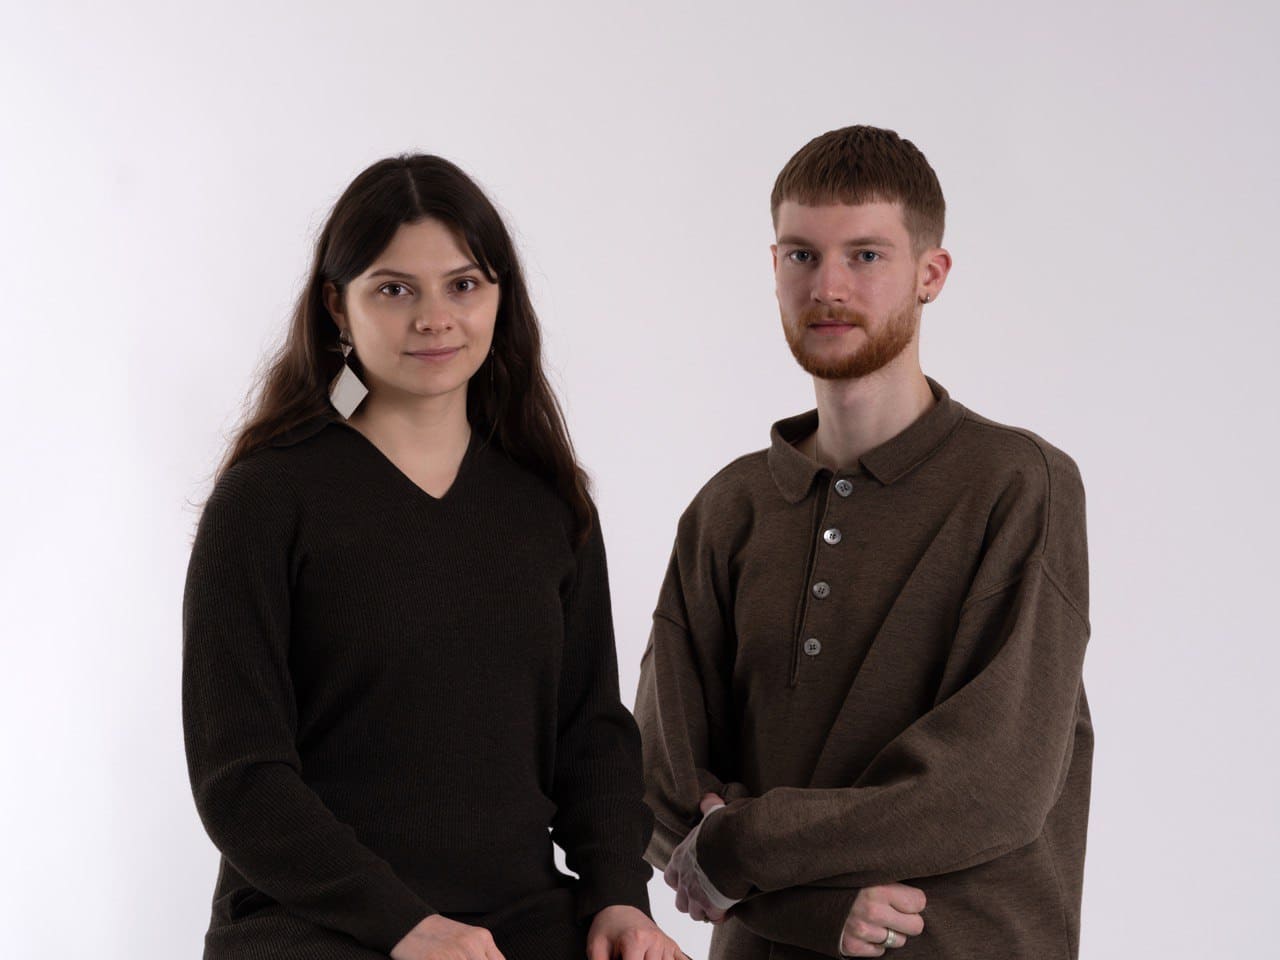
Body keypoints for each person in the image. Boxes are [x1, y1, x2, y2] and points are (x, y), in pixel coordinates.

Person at [183, 154, 687, 960]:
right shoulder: (266, 500)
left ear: (499, 297)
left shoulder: (549, 504)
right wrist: (405, 927)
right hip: (312, 924)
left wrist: (620, 899)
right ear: (337, 307)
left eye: (463, 285)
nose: (434, 318)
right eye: (394, 289)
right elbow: (239, 778)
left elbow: (590, 735)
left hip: (518, 920)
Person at [635, 125, 1092, 959]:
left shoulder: (1018, 483)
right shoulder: (728, 509)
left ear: (931, 274)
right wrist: (806, 912)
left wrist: (748, 845)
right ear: (773, 265)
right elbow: (662, 782)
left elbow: (992, 784)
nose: (828, 286)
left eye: (867, 255)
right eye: (802, 255)